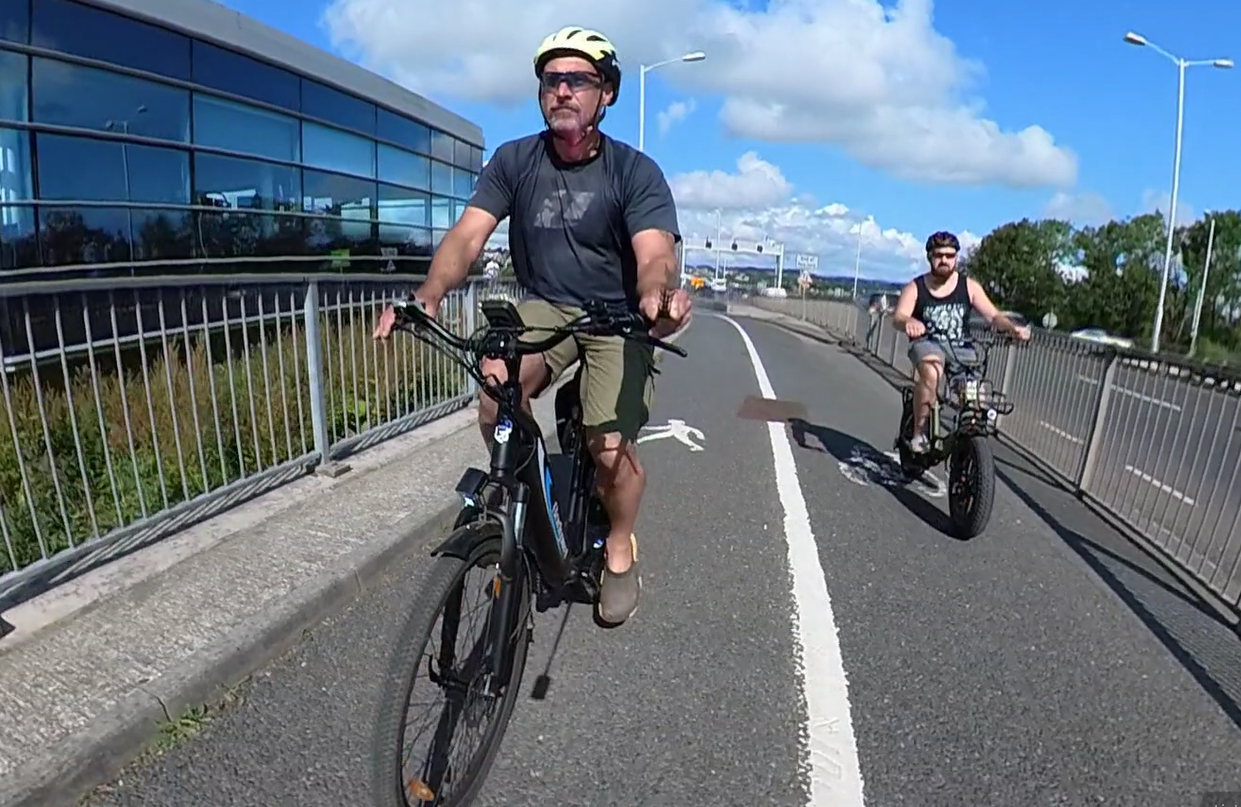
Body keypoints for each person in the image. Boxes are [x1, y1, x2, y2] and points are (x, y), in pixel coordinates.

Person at [372, 26, 692, 626]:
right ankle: (525, 497)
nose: (563, 91)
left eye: (579, 80)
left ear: (607, 94)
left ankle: (618, 545)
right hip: (546, 304)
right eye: (552, 80)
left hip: (616, 315)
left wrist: (657, 296)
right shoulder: (516, 160)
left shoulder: (634, 172)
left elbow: (653, 255)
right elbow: (469, 236)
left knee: (609, 450)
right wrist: (429, 295)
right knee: (495, 394)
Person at [891, 231, 1030, 453]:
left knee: (974, 396)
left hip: (960, 348)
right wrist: (909, 322)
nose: (944, 260)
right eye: (939, 255)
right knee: (932, 372)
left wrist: (1012, 329)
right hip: (928, 343)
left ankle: (970, 446)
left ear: (956, 257)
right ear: (930, 257)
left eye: (949, 255)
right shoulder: (916, 287)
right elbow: (899, 316)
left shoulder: (969, 286)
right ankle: (919, 433)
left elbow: (993, 316)